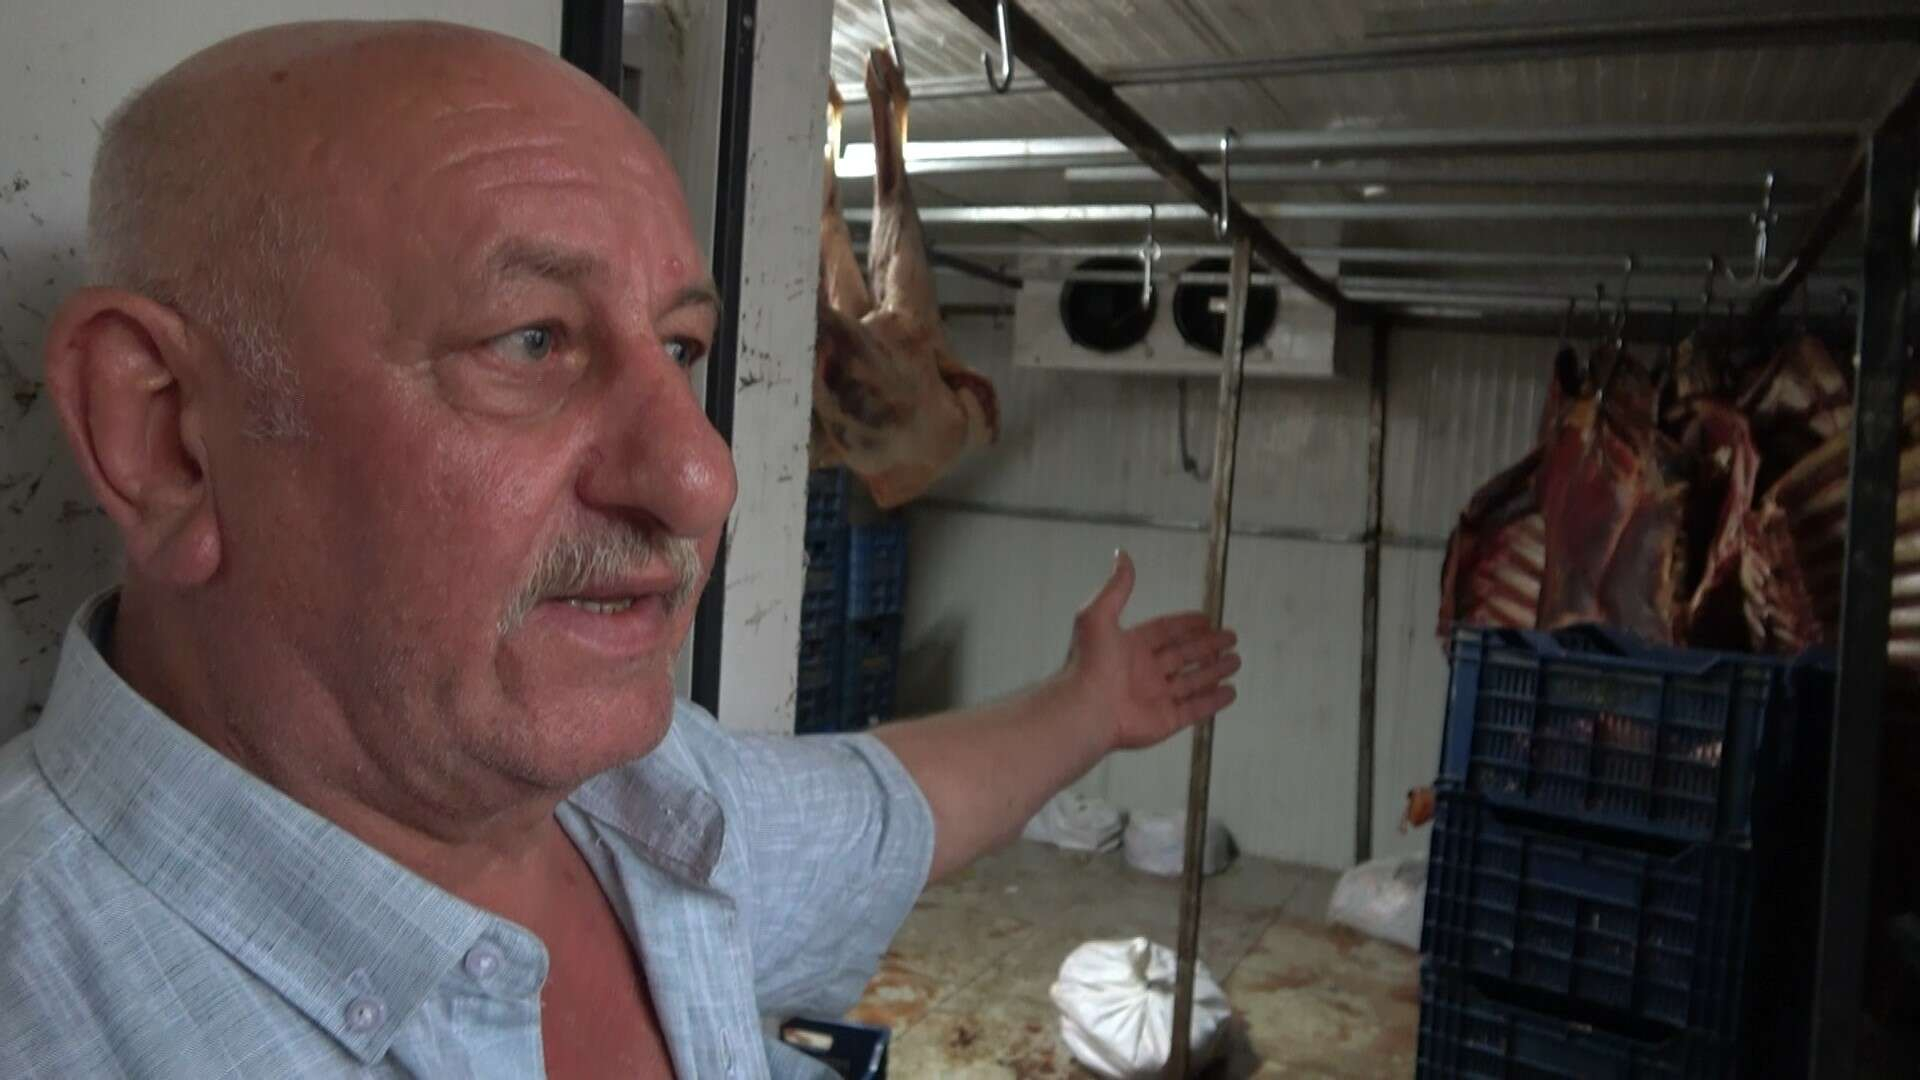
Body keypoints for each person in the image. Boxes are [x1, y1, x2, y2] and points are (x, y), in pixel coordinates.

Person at [0, 19, 1240, 1079]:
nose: (702, 479)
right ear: (164, 436)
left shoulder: (640, 803)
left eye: (682, 348)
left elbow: (882, 812)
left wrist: (1090, 704)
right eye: (531, 339)